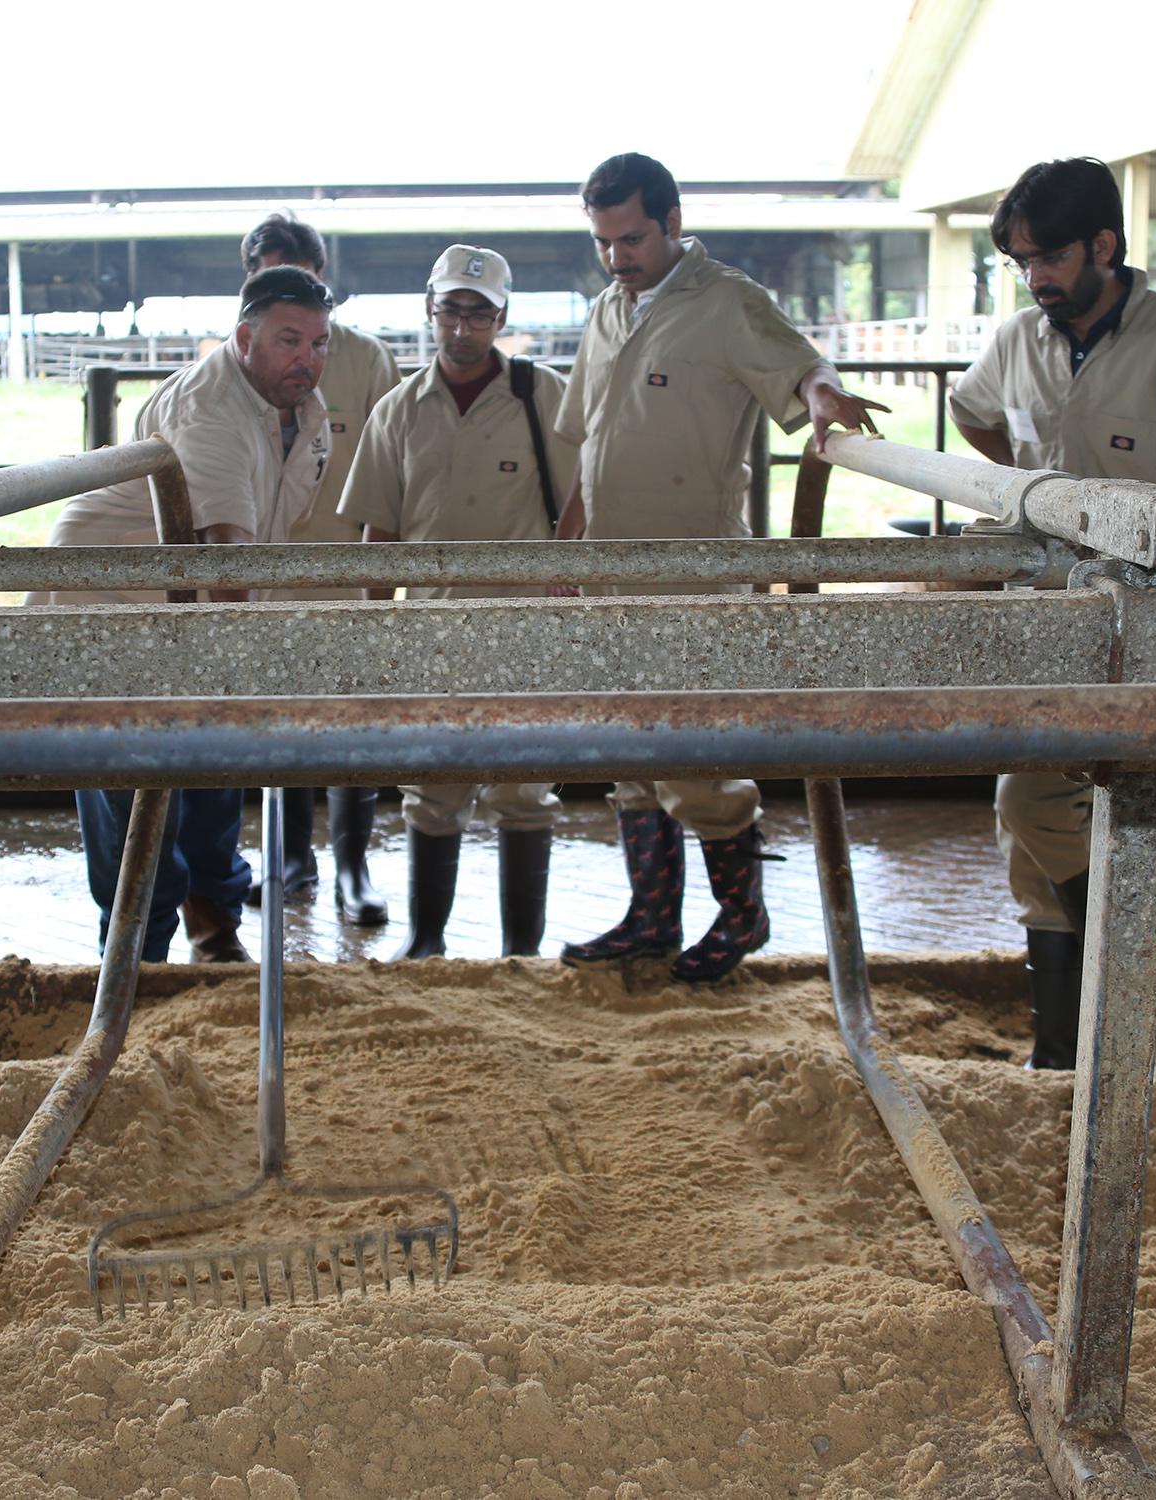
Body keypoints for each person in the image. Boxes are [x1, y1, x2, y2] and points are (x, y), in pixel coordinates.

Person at [948, 156, 1156, 1069]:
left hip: (1143, 618)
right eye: (1021, 262)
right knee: (1032, 836)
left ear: (1104, 246)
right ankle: (1067, 1054)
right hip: (1041, 612)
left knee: (1036, 806)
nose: (1036, 277)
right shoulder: (1018, 338)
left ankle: (1126, 974)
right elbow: (974, 414)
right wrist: (1019, 488)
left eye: (1048, 259)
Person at [552, 152, 886, 984]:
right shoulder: (605, 313)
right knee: (626, 759)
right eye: (602, 242)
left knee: (693, 753)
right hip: (608, 570)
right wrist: (564, 551)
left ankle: (743, 914)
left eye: (630, 238)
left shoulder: (730, 301)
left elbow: (803, 368)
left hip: (692, 570)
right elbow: (589, 444)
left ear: (670, 222)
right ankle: (651, 919)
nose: (616, 256)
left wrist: (824, 401)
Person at [27, 265, 334, 963]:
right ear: (245, 337)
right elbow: (228, 569)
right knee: (135, 785)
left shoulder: (306, 411)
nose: (308, 359)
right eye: (290, 341)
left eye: (320, 343)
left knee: (208, 764)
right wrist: (265, 669)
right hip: (110, 609)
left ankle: (211, 924)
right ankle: (136, 960)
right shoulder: (214, 410)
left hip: (186, 611)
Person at [338, 245, 576, 959]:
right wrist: (375, 629)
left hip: (525, 629)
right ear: (429, 310)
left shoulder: (545, 396)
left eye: (480, 312)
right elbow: (378, 529)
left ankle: (520, 954)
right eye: (452, 310)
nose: (463, 327)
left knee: (525, 789)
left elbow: (583, 500)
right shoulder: (399, 410)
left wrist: (568, 584)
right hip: (432, 629)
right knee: (434, 787)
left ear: (502, 317)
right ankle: (427, 942)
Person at [236, 212, 400, 927]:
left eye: (305, 279)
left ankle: (354, 866)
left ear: (325, 281)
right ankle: (289, 858)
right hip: (270, 563)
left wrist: (379, 565)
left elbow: (393, 462)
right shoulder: (232, 365)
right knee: (280, 718)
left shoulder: (363, 359)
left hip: (343, 559)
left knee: (352, 718)